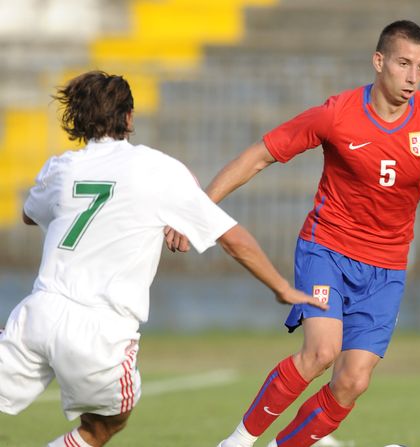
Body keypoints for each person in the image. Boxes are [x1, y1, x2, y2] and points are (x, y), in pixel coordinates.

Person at [167, 20, 420, 447]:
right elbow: (258, 156)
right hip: (326, 248)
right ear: (379, 62)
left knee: (353, 381)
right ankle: (235, 442)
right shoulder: (337, 114)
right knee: (322, 352)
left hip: (386, 267)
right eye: (403, 64)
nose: (412, 77)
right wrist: (198, 209)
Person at [0, 71, 327, 447]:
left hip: (39, 313)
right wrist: (282, 286)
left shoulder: (61, 168)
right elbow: (232, 238)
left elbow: (29, 213)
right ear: (129, 118)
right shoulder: (157, 168)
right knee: (105, 423)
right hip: (100, 329)